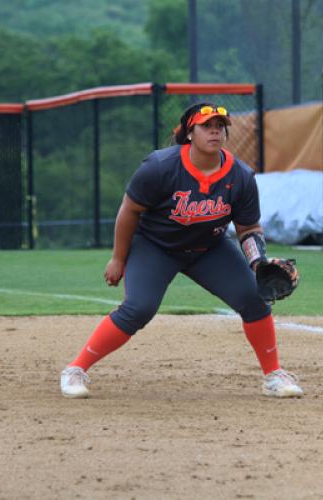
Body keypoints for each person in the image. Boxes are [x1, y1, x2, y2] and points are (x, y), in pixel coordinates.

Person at [60, 102, 303, 399]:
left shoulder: (240, 176)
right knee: (139, 308)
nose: (215, 131)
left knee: (254, 298)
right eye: (206, 126)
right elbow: (129, 211)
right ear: (190, 133)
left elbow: (248, 229)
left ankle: (273, 375)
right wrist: (118, 258)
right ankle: (76, 369)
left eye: (219, 127)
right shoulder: (160, 167)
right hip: (155, 246)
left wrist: (258, 263)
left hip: (208, 247)